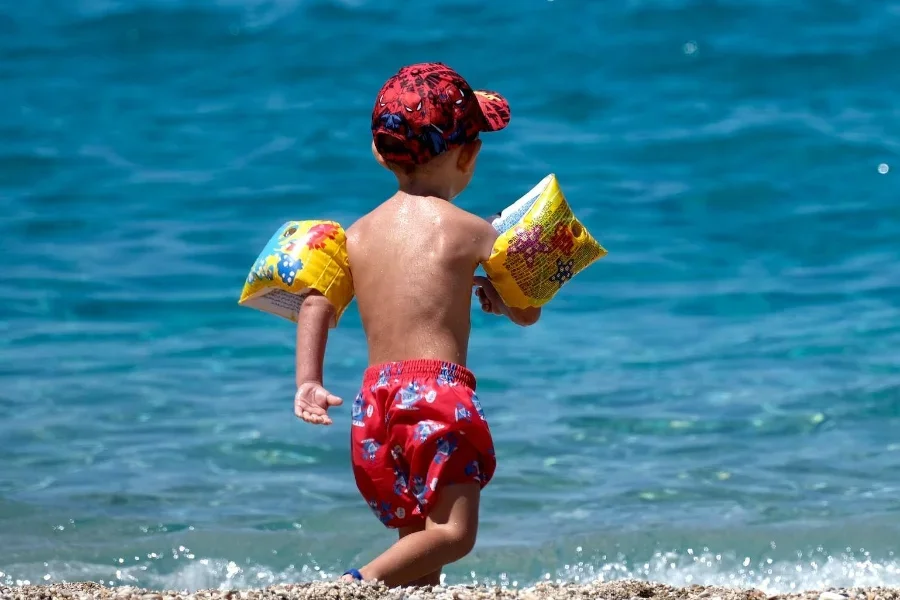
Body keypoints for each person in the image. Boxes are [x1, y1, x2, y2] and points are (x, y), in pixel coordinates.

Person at [292, 62, 541, 588]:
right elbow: (528, 311)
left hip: (375, 404)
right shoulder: (474, 231)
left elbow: (316, 303)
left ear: (381, 153)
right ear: (469, 156)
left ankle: (374, 586)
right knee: (453, 534)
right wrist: (502, 296)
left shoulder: (354, 235)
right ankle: (351, 586)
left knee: (419, 549)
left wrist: (308, 382)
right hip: (434, 394)